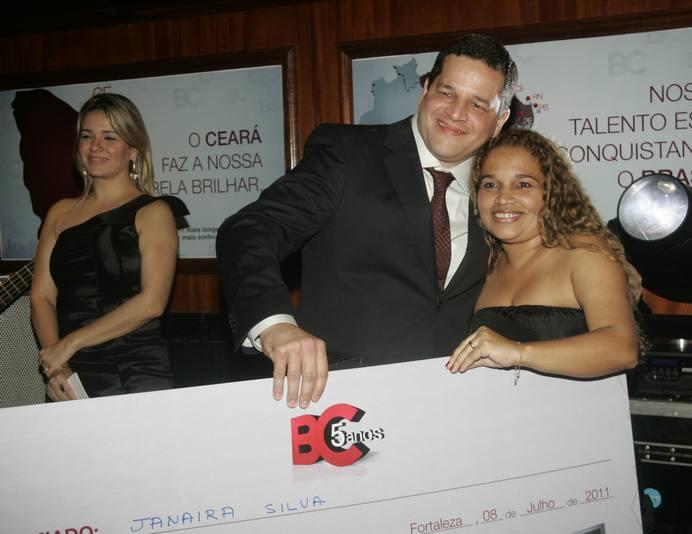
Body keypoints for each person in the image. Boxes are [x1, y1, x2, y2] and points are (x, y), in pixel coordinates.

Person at [217, 33, 517, 408]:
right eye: (447, 92)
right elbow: (250, 231)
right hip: (342, 406)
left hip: (458, 406)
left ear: (499, 121)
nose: (456, 113)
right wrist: (274, 325)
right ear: (425, 89)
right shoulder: (348, 154)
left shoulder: (502, 191)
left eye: (477, 104)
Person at [30, 93, 188, 401]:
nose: (95, 146)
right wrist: (57, 366)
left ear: (133, 150)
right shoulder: (60, 213)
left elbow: (152, 303)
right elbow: (41, 297)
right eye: (87, 136)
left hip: (135, 370)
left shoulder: (154, 212)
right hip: (68, 373)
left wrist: (69, 344)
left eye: (109, 137)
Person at [446, 128, 640, 379]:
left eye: (523, 185)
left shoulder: (584, 252)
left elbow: (622, 349)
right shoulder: (483, 264)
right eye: (490, 185)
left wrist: (518, 353)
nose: (503, 198)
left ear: (551, 193)